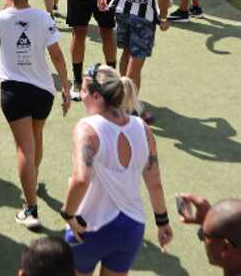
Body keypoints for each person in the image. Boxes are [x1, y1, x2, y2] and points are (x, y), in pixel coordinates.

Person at [60, 64, 173, 274]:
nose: (81, 96)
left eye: (83, 91)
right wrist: (162, 221)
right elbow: (154, 182)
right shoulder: (143, 127)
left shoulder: (86, 129)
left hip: (88, 229)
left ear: (96, 96)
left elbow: (80, 180)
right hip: (131, 228)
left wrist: (68, 214)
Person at [0, 0, 72, 230]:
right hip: (43, 92)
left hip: (13, 92)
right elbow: (58, 57)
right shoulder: (43, 18)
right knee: (36, 138)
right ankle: (32, 182)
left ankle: (31, 208)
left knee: (24, 147)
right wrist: (67, 89)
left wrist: (7, 6)